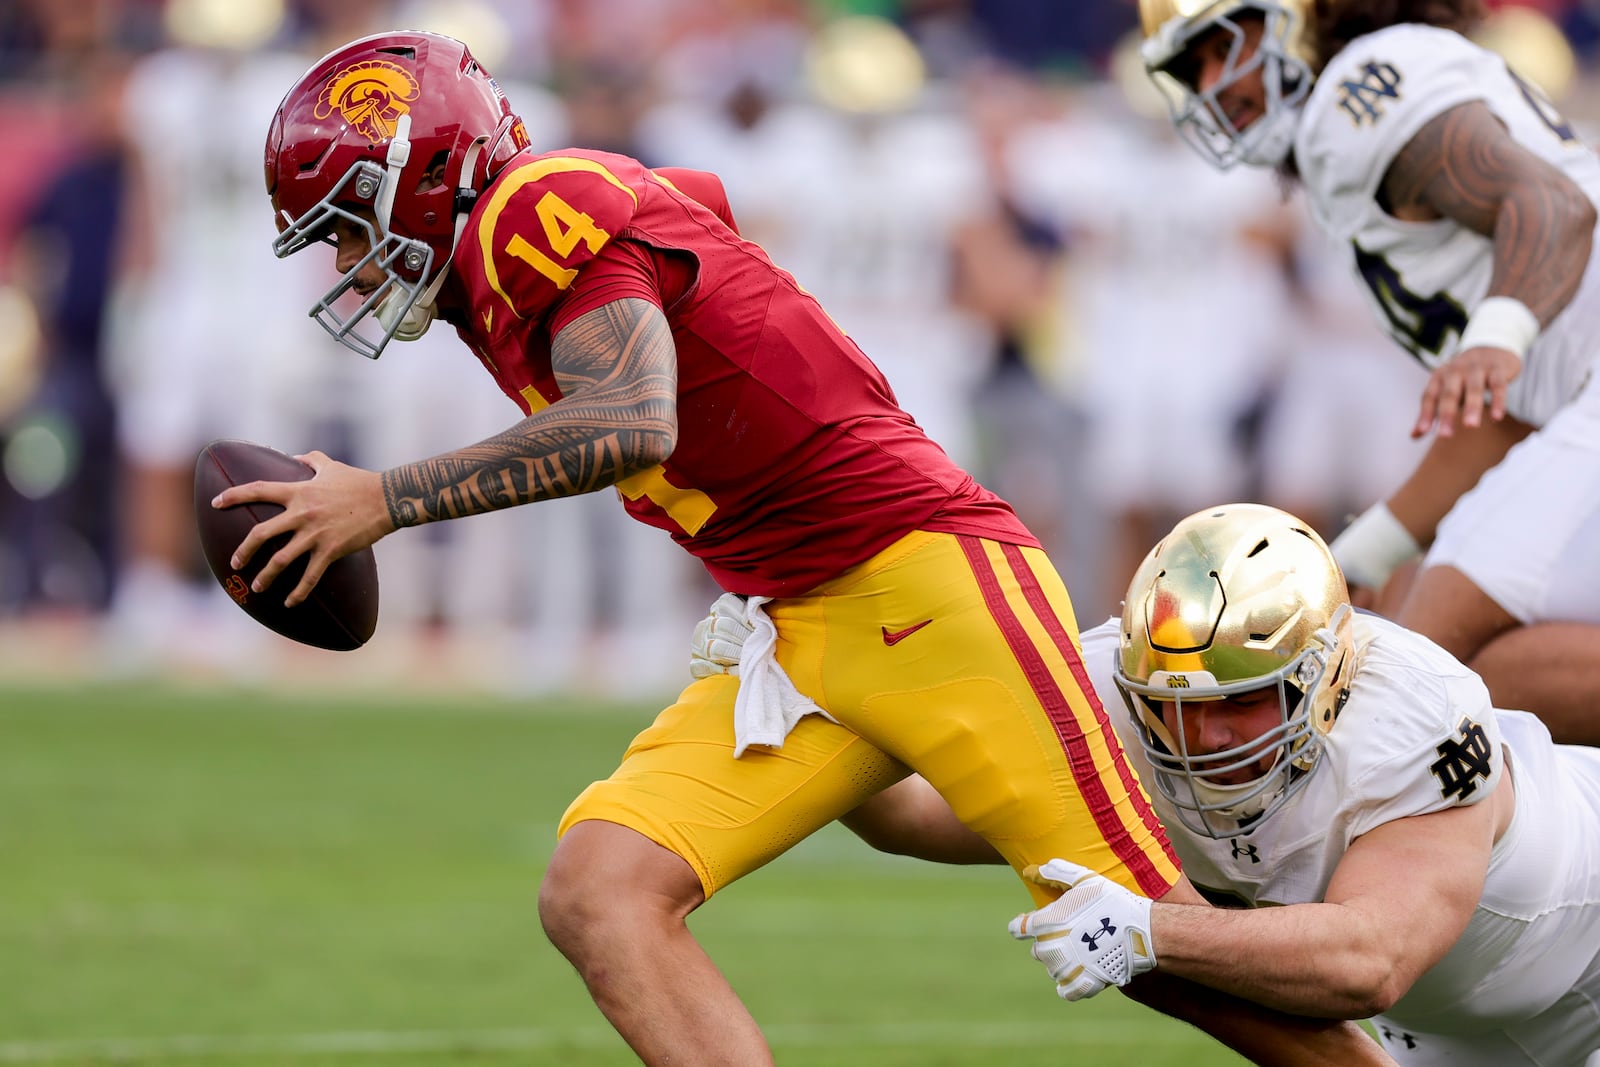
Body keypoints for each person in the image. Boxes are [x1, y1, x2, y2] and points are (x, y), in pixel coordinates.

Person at [220, 30, 1392, 1067]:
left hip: (925, 584)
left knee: (1147, 940)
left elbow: (632, 421)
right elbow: (705, 218)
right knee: (601, 889)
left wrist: (384, 497)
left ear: (424, 177)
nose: (344, 264)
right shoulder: (527, 238)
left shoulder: (529, 210)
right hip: (798, 614)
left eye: (347, 227)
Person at [701, 503, 1600, 1064]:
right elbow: (922, 817)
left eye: (1241, 705)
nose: (1198, 737)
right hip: (1454, 1035)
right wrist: (801, 700)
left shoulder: (1410, 712)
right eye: (1170, 706)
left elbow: (1371, 960)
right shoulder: (1105, 697)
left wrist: (1150, 929)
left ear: (1323, 677)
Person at [1135, 0, 1600, 746]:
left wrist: (1496, 336)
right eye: (1193, 71)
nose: (1216, 84)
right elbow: (1512, 411)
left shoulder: (1358, 88)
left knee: (1425, 682)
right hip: (1576, 403)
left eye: (1221, 47)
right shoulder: (1344, 149)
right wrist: (1360, 556)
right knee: (1451, 682)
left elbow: (1553, 206)